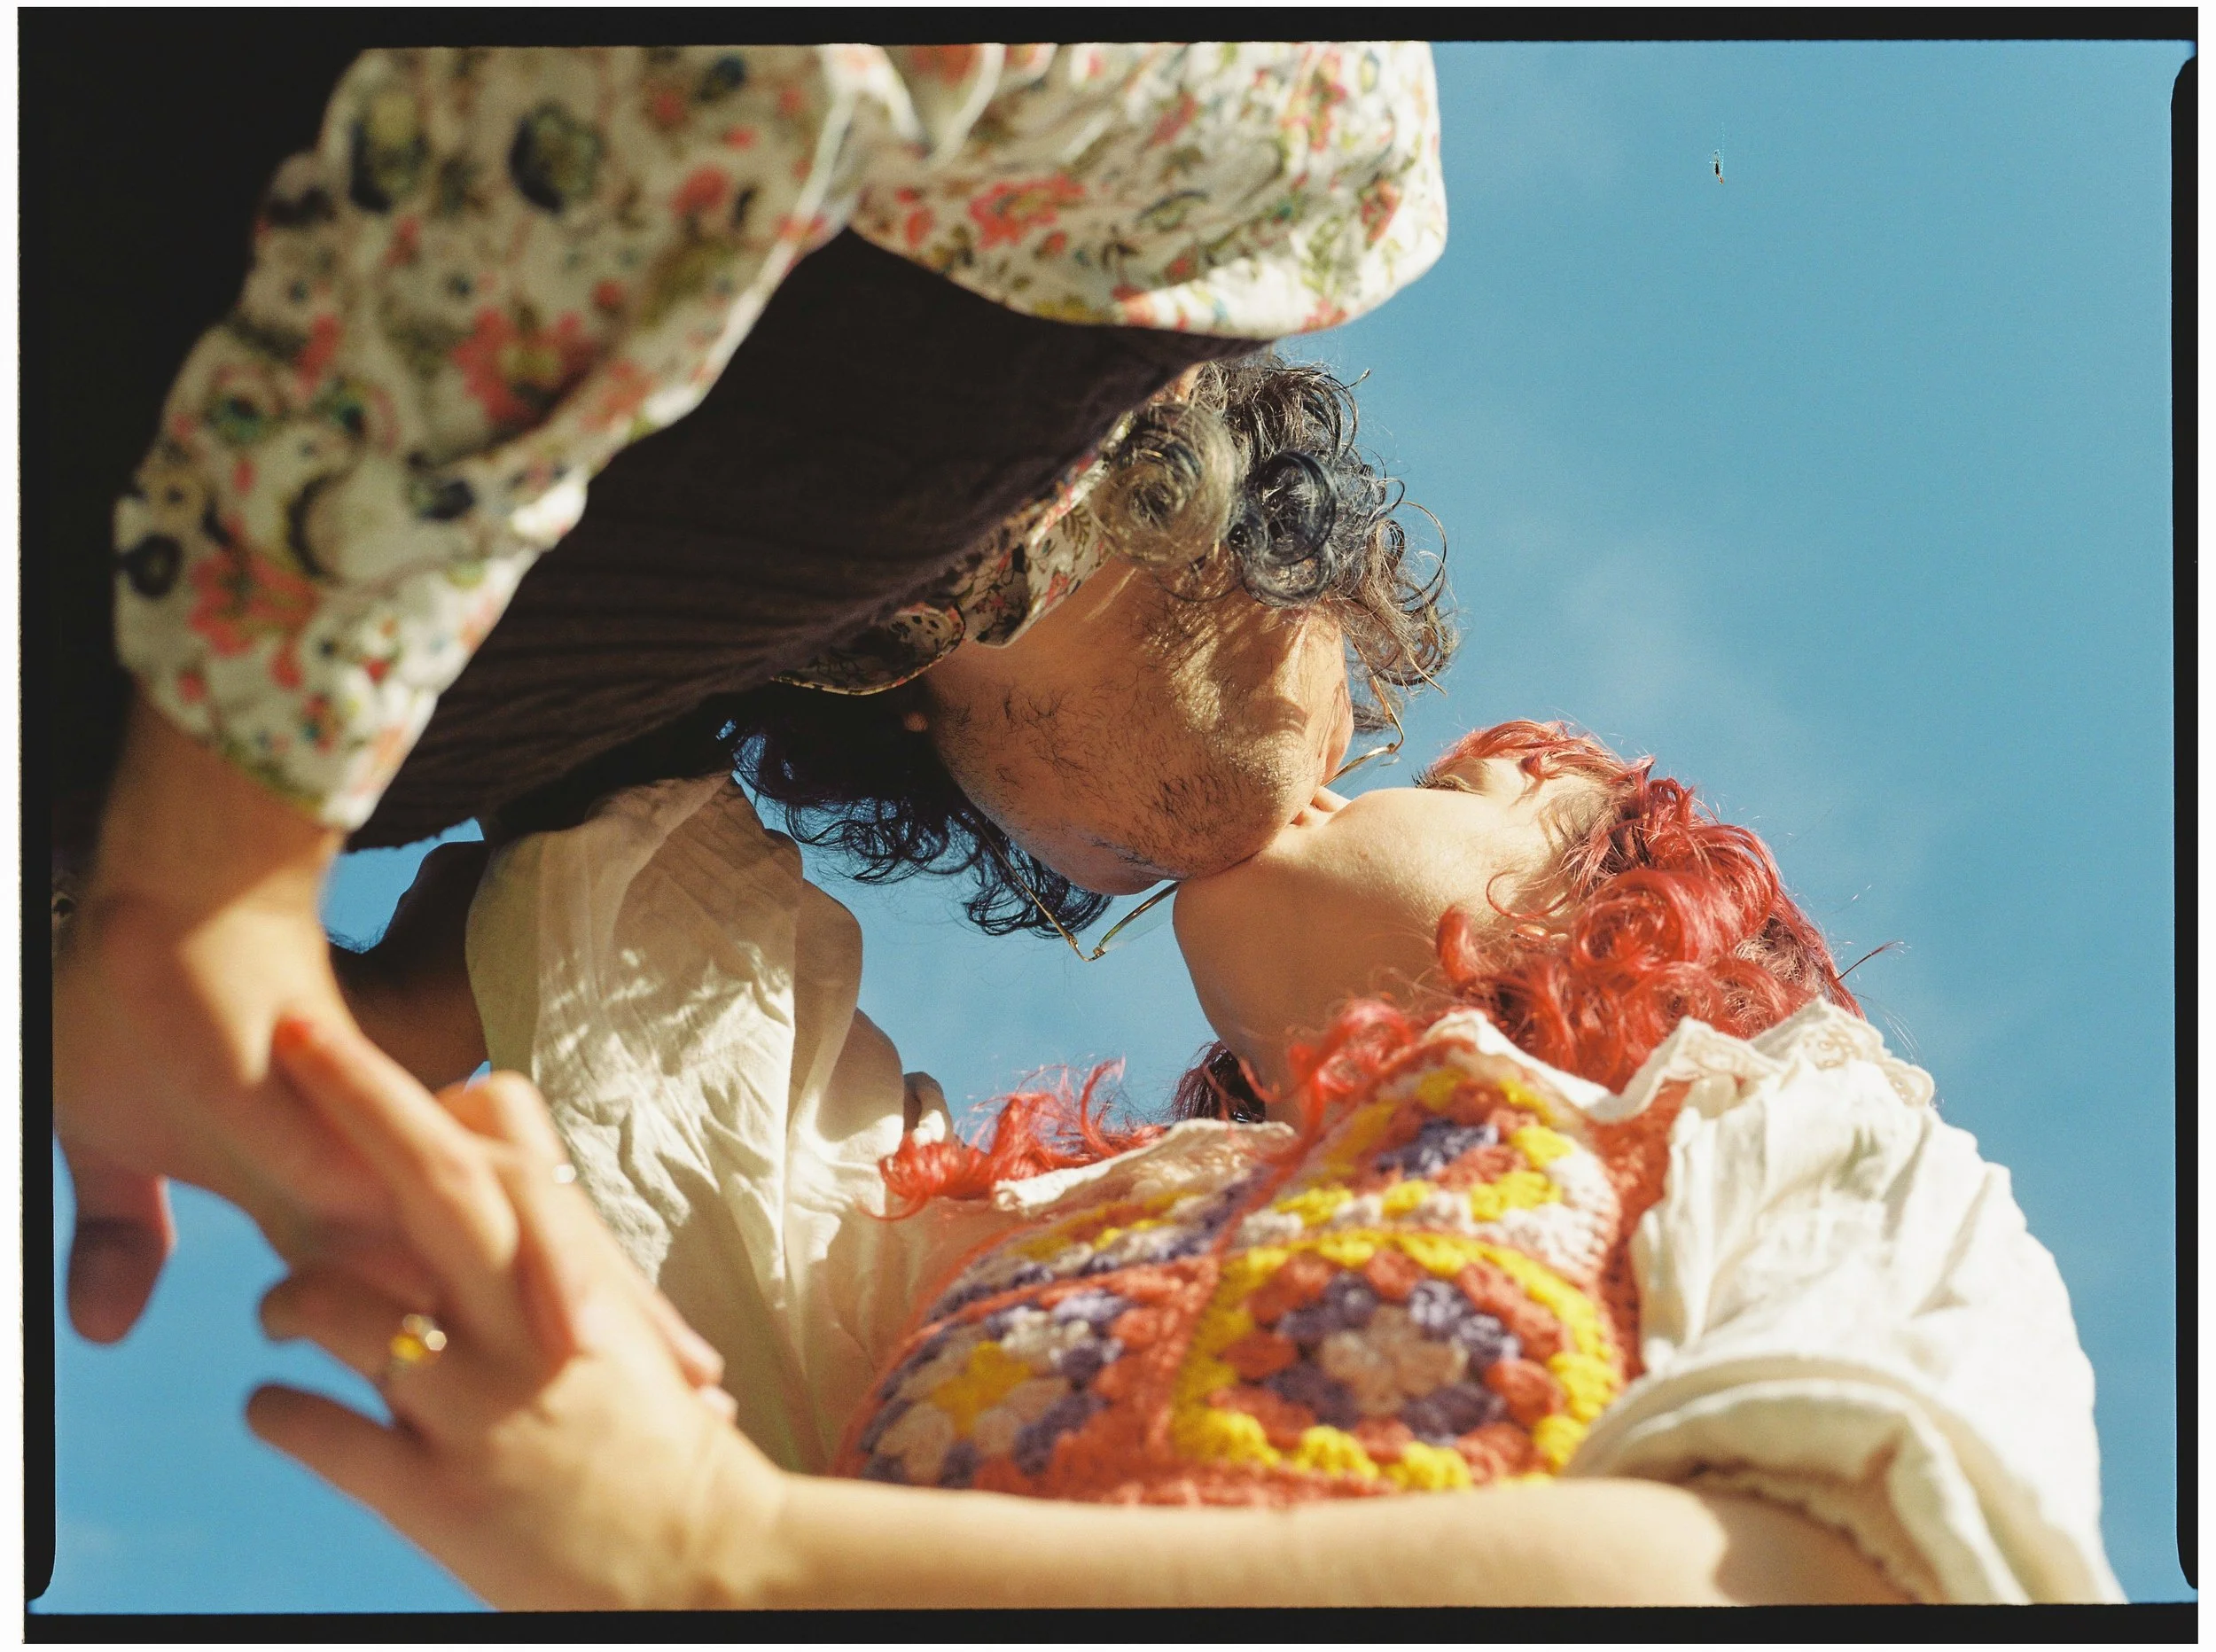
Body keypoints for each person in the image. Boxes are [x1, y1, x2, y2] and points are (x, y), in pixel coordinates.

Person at [51, 41, 1449, 1344]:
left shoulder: (495, 734)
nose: (1304, 816)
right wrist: (211, 869)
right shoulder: (1310, 174)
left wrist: (330, 1004)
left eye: (1132, 899)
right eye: (1419, 765)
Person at [250, 721, 2119, 1605]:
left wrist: (723, 1547)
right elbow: (690, 1069)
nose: (1353, 768)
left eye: (1458, 777)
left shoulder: (1781, 1124)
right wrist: (422, 981)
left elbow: (1820, 1583)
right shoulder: (1041, 1239)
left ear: (1620, 901)